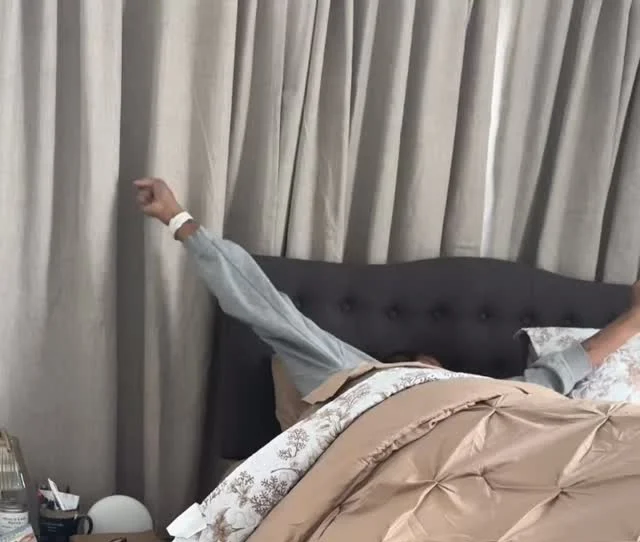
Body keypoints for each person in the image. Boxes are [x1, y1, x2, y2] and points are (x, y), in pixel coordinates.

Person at [134, 178, 640, 402]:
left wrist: (634, 318)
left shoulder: (479, 397)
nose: (433, 372)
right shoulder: (356, 375)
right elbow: (268, 310)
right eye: (423, 367)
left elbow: (555, 375)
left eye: (438, 370)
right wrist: (179, 219)